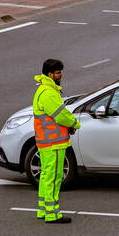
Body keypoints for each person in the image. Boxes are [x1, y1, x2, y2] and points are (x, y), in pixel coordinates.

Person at [32, 59, 80, 224]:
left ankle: (43, 210)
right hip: (54, 143)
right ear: (50, 74)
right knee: (54, 177)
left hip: (45, 141)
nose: (61, 75)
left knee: (46, 176)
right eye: (58, 72)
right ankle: (52, 214)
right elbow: (61, 115)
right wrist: (74, 124)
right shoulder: (49, 93)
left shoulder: (43, 90)